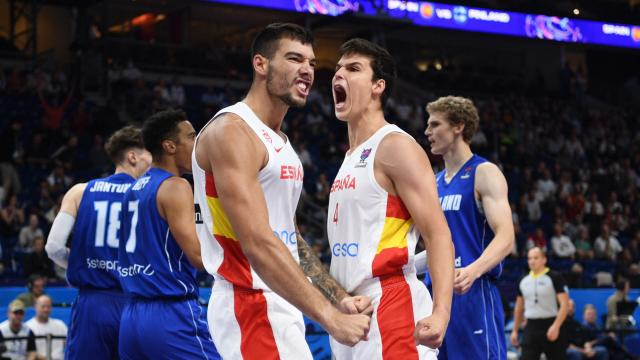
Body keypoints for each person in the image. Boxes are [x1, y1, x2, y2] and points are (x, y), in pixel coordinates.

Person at [192, 23, 371, 359]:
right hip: (249, 301)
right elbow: (258, 242)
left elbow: (287, 236)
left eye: (312, 63)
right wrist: (330, 317)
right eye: (294, 58)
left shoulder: (282, 143)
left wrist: (337, 296)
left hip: (278, 299)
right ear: (261, 64)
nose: (306, 70)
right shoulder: (232, 131)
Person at [327, 38, 454, 359]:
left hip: (389, 302)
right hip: (348, 311)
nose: (339, 74)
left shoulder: (396, 146)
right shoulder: (350, 156)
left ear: (377, 86)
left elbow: (438, 234)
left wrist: (441, 313)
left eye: (353, 68)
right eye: (338, 68)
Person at [416, 95, 515, 359]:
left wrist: (472, 271)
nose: (427, 132)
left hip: (472, 291)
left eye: (435, 124)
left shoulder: (485, 172)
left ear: (458, 126)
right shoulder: (433, 183)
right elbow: (439, 249)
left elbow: (507, 237)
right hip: (435, 297)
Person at [117, 109, 220, 360]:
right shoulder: (176, 185)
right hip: (169, 314)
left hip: (130, 316)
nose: (197, 143)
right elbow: (198, 256)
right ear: (170, 146)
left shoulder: (134, 188)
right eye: (192, 136)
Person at [44, 125, 151, 360]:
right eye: (149, 154)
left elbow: (52, 248)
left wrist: (83, 264)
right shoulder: (152, 195)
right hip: (136, 305)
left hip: (93, 304)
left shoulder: (80, 191)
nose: (153, 162)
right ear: (132, 156)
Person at [511, 247, 570, 360]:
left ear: (544, 259)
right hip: (531, 327)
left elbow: (565, 304)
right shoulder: (523, 280)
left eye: (536, 258)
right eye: (529, 258)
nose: (532, 261)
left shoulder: (555, 277)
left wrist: (556, 326)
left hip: (551, 324)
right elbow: (519, 307)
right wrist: (515, 330)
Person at [25, 295, 67, 360]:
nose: (46, 309)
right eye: (43, 306)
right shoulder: (27, 327)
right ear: (35, 307)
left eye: (48, 306)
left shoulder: (60, 325)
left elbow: (70, 345)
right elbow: (28, 353)